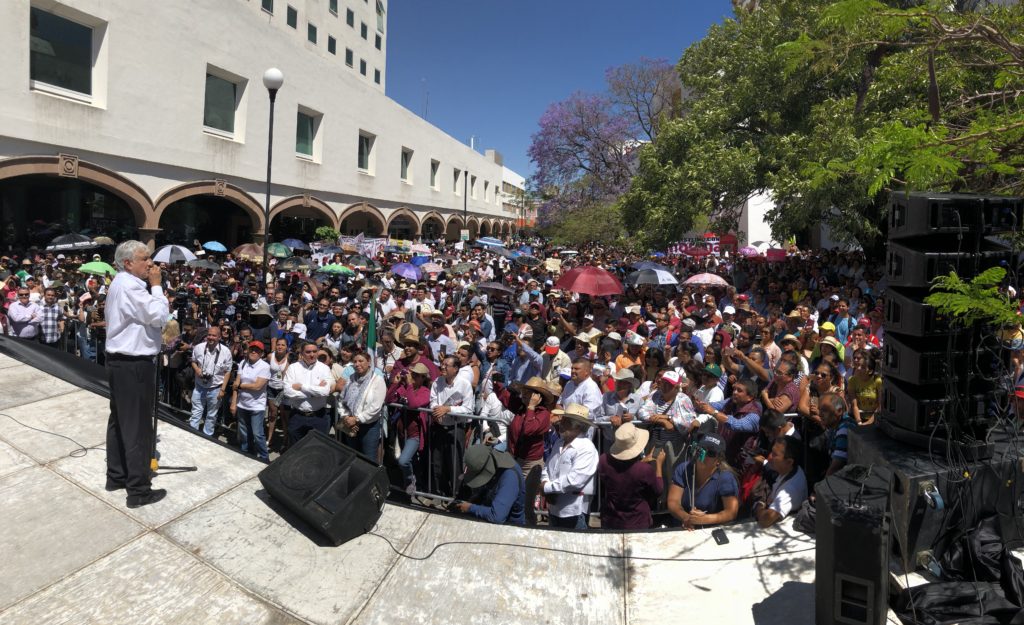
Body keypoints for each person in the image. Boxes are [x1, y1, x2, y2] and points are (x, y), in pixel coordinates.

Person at [103, 240, 169, 508]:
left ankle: (117, 476)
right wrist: (157, 286)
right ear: (128, 263)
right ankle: (139, 490)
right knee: (138, 428)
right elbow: (159, 316)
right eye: (145, 258)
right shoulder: (131, 286)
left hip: (121, 363)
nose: (150, 263)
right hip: (134, 365)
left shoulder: (121, 283)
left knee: (120, 421)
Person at [507, 376, 557, 526]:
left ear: (537, 397)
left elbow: (529, 429)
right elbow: (504, 398)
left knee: (526, 501)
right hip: (515, 459)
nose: (525, 395)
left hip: (530, 464)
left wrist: (531, 408)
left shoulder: (543, 414)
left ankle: (529, 526)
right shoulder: (521, 408)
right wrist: (499, 384)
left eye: (530, 393)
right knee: (512, 496)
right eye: (526, 391)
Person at [541, 403, 599, 530]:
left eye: (566, 421)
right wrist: (545, 482)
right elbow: (547, 467)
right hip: (555, 508)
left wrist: (547, 487)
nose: (561, 423)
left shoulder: (586, 448)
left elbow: (575, 481)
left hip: (574, 512)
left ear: (578, 426)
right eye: (563, 419)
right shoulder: (559, 442)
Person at [597, 422, 664, 529]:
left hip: (610, 519)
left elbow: (624, 473)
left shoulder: (603, 460)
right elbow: (658, 490)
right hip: (637, 521)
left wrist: (642, 461)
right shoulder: (644, 470)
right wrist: (659, 465)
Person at [667, 433, 739, 529]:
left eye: (711, 453)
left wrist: (705, 519)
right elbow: (673, 502)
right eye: (701, 449)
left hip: (709, 531)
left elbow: (731, 512)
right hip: (682, 528)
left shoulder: (726, 478)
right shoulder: (683, 469)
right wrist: (687, 518)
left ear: (719, 460)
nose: (704, 455)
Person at [428, 355, 476, 496]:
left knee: (455, 463)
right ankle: (439, 492)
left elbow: (468, 409)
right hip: (438, 427)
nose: (442, 367)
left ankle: (456, 494)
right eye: (442, 364)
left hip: (455, 428)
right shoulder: (437, 382)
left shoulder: (464, 384)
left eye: (446, 365)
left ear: (455, 369)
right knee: (437, 462)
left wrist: (448, 409)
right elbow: (433, 400)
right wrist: (436, 410)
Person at [453, 444, 526, 525]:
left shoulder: (509, 477)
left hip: (509, 527)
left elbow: (497, 517)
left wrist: (470, 508)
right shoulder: (496, 467)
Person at [337, 350, 387, 460]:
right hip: (350, 425)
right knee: (352, 456)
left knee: (368, 458)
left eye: (361, 361)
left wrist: (357, 419)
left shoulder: (377, 380)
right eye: (355, 361)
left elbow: (376, 406)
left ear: (369, 362)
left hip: (369, 427)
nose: (357, 364)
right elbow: (342, 400)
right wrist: (346, 417)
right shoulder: (351, 378)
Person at [282, 340, 334, 442]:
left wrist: (302, 387)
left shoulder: (324, 368)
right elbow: (287, 392)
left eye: (314, 351)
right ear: (301, 353)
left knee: (317, 447)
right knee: (295, 447)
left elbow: (325, 392)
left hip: (318, 416)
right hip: (297, 416)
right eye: (308, 352)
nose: (312, 354)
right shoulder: (293, 368)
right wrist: (314, 391)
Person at [392, 362, 432, 495]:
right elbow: (388, 399)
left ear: (423, 378)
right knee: (410, 460)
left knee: (403, 461)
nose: (412, 377)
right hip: (401, 432)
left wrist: (409, 385)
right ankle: (408, 486)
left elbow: (414, 404)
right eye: (412, 374)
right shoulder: (405, 388)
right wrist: (396, 383)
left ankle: (410, 481)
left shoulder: (425, 392)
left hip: (414, 435)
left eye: (416, 375)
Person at [751, 437, 807, 528]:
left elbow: (765, 520)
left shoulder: (789, 490)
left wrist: (759, 504)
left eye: (774, 455)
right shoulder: (792, 469)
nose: (769, 457)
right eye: (771, 452)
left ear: (789, 462)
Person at [188, 325, 233, 436]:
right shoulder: (198, 347)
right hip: (199, 386)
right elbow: (193, 361)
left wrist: (222, 390)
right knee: (195, 412)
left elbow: (227, 371)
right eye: (209, 335)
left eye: (214, 335)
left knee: (212, 415)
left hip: (215, 388)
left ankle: (207, 436)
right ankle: (191, 435)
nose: (211, 337)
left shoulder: (226, 352)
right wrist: (197, 369)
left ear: (219, 337)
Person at [231, 339, 271, 461]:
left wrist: (241, 386)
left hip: (256, 406)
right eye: (252, 349)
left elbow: (257, 386)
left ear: (262, 353)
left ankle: (264, 458)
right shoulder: (243, 363)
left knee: (257, 434)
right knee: (244, 431)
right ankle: (246, 453)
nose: (253, 352)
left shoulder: (265, 366)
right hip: (242, 404)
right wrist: (234, 402)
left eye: (257, 350)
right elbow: (236, 383)